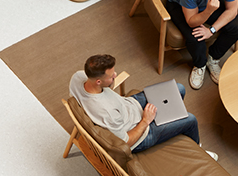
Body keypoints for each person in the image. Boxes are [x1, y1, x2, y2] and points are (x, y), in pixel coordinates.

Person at [69, 54, 215, 158]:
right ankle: (198, 150)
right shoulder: (106, 112)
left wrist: (110, 83)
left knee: (178, 88)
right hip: (141, 135)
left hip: (129, 106)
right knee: (191, 119)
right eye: (111, 76)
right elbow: (125, 142)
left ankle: (173, 122)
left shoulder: (79, 77)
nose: (115, 76)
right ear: (98, 82)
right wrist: (146, 120)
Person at [165, 0, 238, 90]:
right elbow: (192, 22)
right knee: (195, 37)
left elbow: (232, 10)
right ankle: (200, 65)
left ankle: (213, 59)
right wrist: (209, 11)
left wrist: (211, 30)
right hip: (179, 5)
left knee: (237, 27)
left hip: (208, 5)